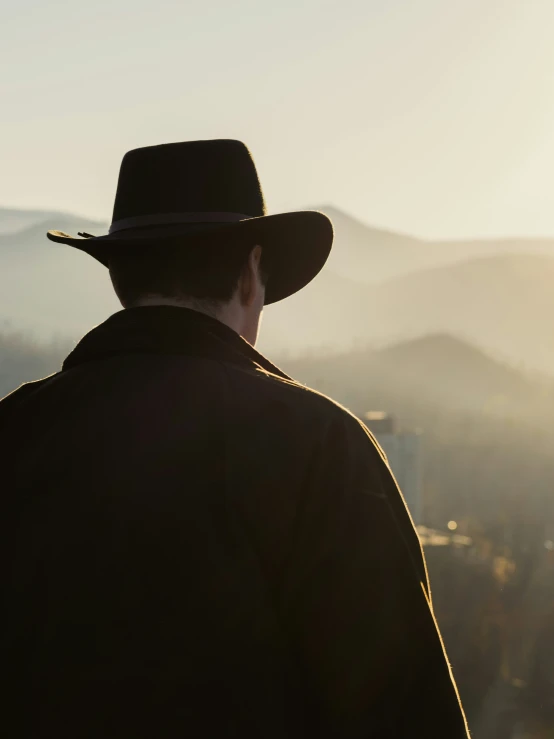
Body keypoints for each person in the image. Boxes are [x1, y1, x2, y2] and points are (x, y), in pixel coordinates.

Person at [0, 139, 469, 738]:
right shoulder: (319, 445)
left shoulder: (14, 430)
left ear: (120, 280)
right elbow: (402, 710)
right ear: (251, 274)